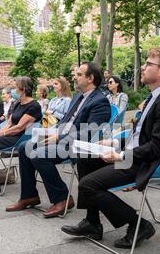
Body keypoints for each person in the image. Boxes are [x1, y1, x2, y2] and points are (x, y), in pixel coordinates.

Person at [61, 47, 160, 249]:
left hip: (148, 162)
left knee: (88, 184)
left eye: (148, 64)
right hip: (137, 155)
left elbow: (156, 147)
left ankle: (139, 224)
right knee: (85, 157)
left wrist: (120, 155)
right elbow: (142, 136)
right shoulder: (157, 96)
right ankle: (92, 223)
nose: (143, 67)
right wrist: (114, 143)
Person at [6, 62, 111, 218]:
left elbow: (88, 133)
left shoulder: (100, 101)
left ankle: (63, 198)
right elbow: (65, 122)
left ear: (90, 78)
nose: (74, 77)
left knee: (38, 154)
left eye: (79, 74)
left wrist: (59, 137)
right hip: (61, 137)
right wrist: (51, 132)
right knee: (24, 146)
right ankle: (29, 195)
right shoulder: (78, 97)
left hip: (77, 145)